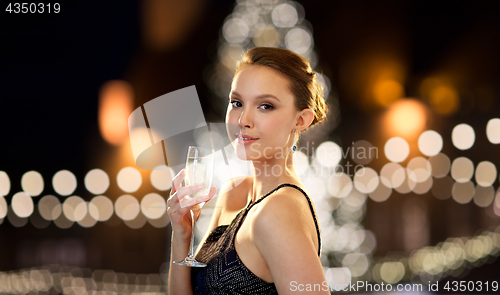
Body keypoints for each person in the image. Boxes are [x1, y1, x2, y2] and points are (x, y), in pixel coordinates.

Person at [167, 47, 330, 294]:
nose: (243, 119)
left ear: (301, 120)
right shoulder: (234, 191)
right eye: (237, 103)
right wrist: (181, 236)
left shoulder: (279, 210)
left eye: (265, 106)